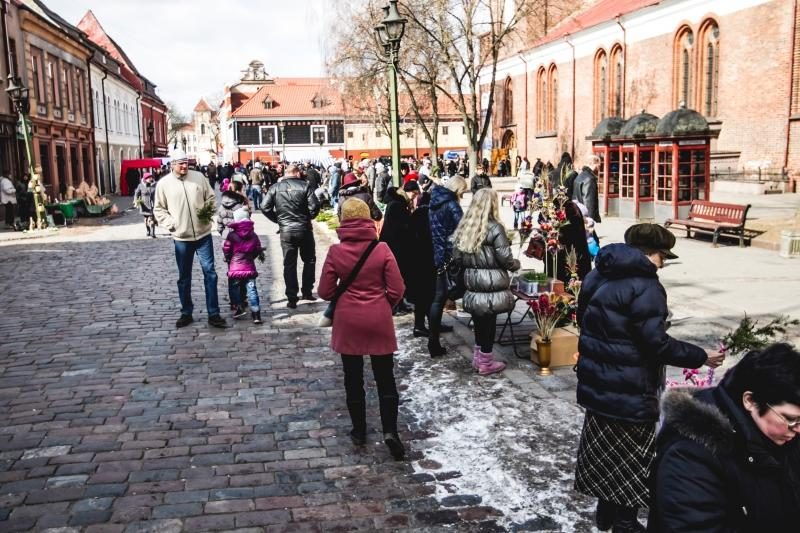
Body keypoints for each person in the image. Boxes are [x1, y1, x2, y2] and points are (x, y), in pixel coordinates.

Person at [573, 223, 725, 532]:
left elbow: (589, 320)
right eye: (662, 256)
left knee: (607, 452)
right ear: (649, 254)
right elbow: (656, 344)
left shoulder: (597, 273)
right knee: (632, 460)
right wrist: (701, 356)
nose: (664, 263)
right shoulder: (646, 287)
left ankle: (607, 512)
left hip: (599, 384)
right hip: (631, 389)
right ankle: (625, 523)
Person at [649, 343, 800, 532]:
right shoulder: (689, 456)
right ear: (750, 401)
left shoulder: (779, 433)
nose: (798, 429)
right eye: (791, 419)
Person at [318, 198, 406, 459]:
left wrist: (344, 297)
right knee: (385, 378)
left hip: (348, 321)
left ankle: (359, 429)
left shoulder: (336, 252)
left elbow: (325, 291)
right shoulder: (382, 250)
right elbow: (398, 288)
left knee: (352, 378)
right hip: (378, 319)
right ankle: (390, 430)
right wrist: (382, 304)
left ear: (343, 220)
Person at [153, 149, 227, 329]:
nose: (184, 166)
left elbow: (210, 197)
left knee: (210, 273)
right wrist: (172, 224)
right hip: (181, 238)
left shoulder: (198, 177)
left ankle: (213, 313)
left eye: (186, 162)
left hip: (203, 235)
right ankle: (186, 312)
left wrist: (207, 212)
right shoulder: (164, 184)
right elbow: (159, 209)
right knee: (184, 277)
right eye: (180, 163)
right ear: (173, 165)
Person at [452, 188, 518, 375]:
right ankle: (486, 363)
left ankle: (478, 357)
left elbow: (457, 256)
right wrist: (515, 264)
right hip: (491, 283)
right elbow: (505, 257)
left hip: (473, 282)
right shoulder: (495, 227)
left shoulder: (466, 226)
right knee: (489, 323)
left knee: (479, 321)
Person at [261, 163, 320, 308]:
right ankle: (307, 291)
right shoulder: (305, 186)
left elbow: (264, 207)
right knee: (309, 260)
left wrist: (279, 220)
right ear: (297, 173)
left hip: (286, 230)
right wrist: (307, 218)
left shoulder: (275, 187)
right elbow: (315, 206)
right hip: (304, 229)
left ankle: (292, 297)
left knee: (289, 263)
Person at [427, 175, 468, 357]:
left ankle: (433, 340)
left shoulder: (434, 202)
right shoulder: (452, 204)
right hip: (448, 256)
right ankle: (433, 342)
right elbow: (463, 229)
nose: (463, 195)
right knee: (447, 294)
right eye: (463, 191)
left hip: (436, 253)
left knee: (438, 298)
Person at [405, 181, 437, 337]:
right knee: (428, 294)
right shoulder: (428, 216)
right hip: (426, 261)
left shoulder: (415, 215)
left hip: (414, 260)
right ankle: (425, 325)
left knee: (421, 295)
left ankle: (422, 324)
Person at [223, 208, 264, 324]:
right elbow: (257, 249)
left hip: (235, 268)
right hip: (249, 267)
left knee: (234, 288)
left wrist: (228, 258)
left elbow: (226, 249)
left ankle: (239, 307)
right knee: (252, 290)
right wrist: (251, 257)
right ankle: (256, 314)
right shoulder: (254, 235)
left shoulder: (232, 235)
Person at [380, 186, 414, 314]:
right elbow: (402, 226)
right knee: (397, 276)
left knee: (396, 276)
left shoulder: (393, 204)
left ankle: (399, 303)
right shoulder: (397, 206)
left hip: (391, 244)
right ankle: (396, 305)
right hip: (396, 246)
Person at [572, 155, 602, 223]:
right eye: (599, 166)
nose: (599, 169)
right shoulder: (590, 179)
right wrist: (589, 219)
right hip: (585, 215)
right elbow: (588, 201)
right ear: (594, 164)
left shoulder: (580, 176)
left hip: (577, 212)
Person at [134, 172, 157, 238]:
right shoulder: (141, 186)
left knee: (152, 218)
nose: (151, 178)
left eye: (151, 177)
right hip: (144, 205)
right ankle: (148, 230)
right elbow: (136, 194)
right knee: (146, 219)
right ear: (145, 179)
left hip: (153, 204)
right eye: (149, 178)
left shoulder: (155, 184)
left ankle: (153, 233)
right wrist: (136, 201)